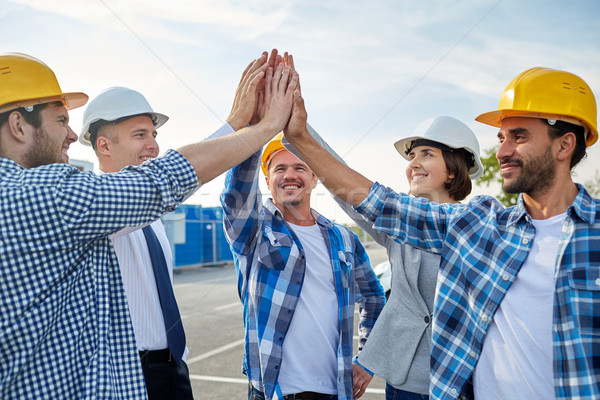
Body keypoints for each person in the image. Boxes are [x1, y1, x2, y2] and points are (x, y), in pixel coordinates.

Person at [283, 66, 599, 400]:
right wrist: (300, 136)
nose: (502, 152)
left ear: (564, 145)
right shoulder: (481, 225)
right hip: (413, 380)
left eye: (518, 137)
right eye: (501, 138)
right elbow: (372, 200)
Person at [0, 51, 297, 399]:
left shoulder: (127, 216)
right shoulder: (50, 199)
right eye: (60, 120)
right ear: (19, 125)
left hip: (170, 369)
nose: (69, 134)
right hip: (129, 374)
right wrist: (259, 127)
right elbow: (162, 180)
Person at [220, 93, 386, 398]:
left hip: (334, 390)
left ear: (314, 179)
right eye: (279, 169)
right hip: (274, 392)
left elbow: (375, 300)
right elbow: (237, 196)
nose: (289, 175)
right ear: (267, 181)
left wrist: (367, 359)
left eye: (299, 167)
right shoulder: (253, 232)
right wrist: (257, 128)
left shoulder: (343, 239)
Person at [329, 116, 482, 400]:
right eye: (411, 156)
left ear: (453, 170)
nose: (413, 163)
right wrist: (299, 139)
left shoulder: (478, 227)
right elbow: (345, 188)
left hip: (462, 381)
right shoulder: (396, 225)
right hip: (407, 384)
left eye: (427, 154)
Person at [78, 87, 195, 399]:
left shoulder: (151, 216)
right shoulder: (90, 207)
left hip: (173, 369)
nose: (154, 146)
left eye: (154, 135)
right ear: (104, 145)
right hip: (129, 375)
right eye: (140, 135)